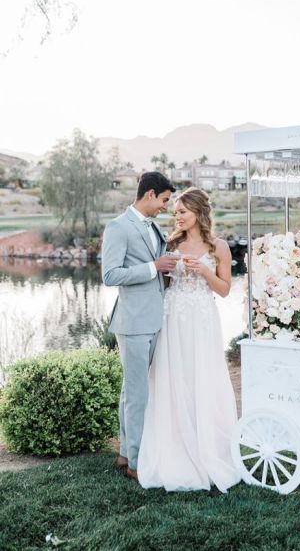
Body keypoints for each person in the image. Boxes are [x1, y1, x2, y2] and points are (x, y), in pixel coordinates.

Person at [137, 187, 241, 492]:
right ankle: (175, 444)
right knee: (173, 377)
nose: (177, 216)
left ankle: (208, 444)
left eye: (182, 211)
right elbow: (163, 282)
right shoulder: (170, 243)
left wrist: (205, 272)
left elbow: (224, 290)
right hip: (173, 318)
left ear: (197, 212)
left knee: (202, 377)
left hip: (202, 320)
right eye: (175, 212)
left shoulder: (218, 246)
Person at [101, 171, 177, 481]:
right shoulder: (118, 227)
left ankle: (123, 453)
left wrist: (166, 270)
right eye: (164, 200)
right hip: (133, 322)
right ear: (149, 195)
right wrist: (153, 267)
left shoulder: (154, 227)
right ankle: (135, 462)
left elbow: (157, 266)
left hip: (153, 318)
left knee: (130, 391)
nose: (165, 207)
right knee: (137, 394)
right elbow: (111, 275)